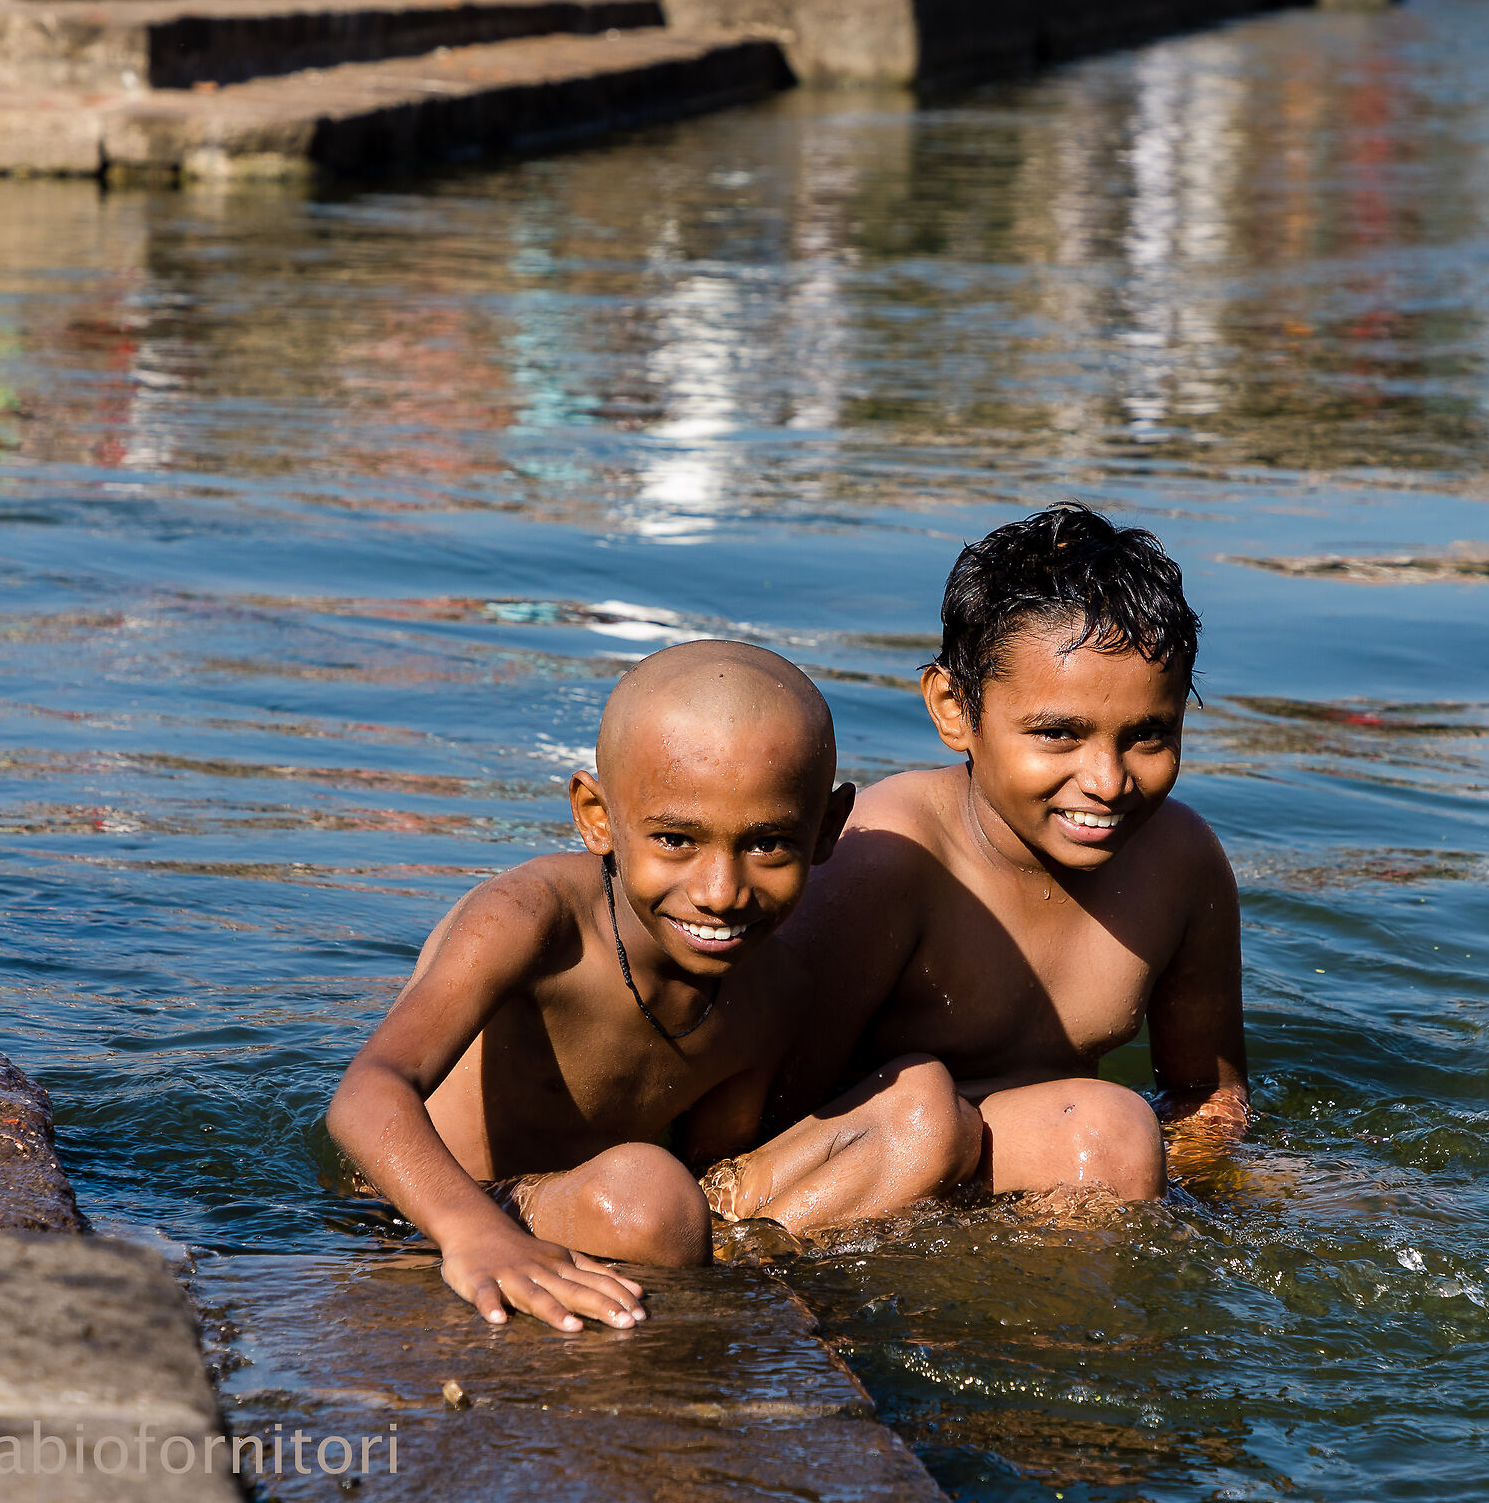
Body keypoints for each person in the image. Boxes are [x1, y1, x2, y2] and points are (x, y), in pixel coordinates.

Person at [328, 641, 980, 1333]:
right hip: (436, 1215)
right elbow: (366, 1094)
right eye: (675, 840)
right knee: (648, 1198)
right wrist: (473, 1232)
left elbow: (714, 1169)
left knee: (926, 1113)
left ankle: (746, 1278)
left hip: (630, 1208)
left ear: (825, 830)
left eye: (767, 844)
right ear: (597, 816)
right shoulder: (532, 920)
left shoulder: (775, 989)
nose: (720, 893)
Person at [739, 504, 1249, 1212]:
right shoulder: (889, 862)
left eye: (1148, 736)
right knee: (1102, 1131)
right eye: (1058, 733)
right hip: (855, 1177)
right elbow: (757, 1126)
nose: (1107, 782)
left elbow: (1207, 1098)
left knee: (1361, 1198)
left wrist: (1198, 1199)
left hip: (1035, 1172)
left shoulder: (1180, 862)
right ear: (954, 708)